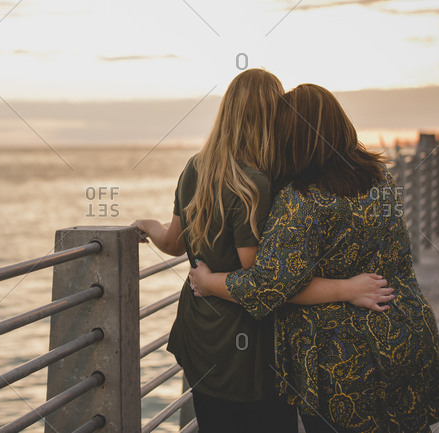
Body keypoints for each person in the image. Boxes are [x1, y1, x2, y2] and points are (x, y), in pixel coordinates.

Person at [132, 70, 392, 433]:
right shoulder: (258, 182)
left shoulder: (196, 166)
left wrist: (146, 224)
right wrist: (347, 287)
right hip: (250, 343)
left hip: (201, 331)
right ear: (273, 117)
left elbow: (173, 243)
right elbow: (262, 279)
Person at [189, 83, 439, 432]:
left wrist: (209, 282)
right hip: (406, 332)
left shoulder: (303, 200)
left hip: (345, 362)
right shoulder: (380, 177)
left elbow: (268, 285)